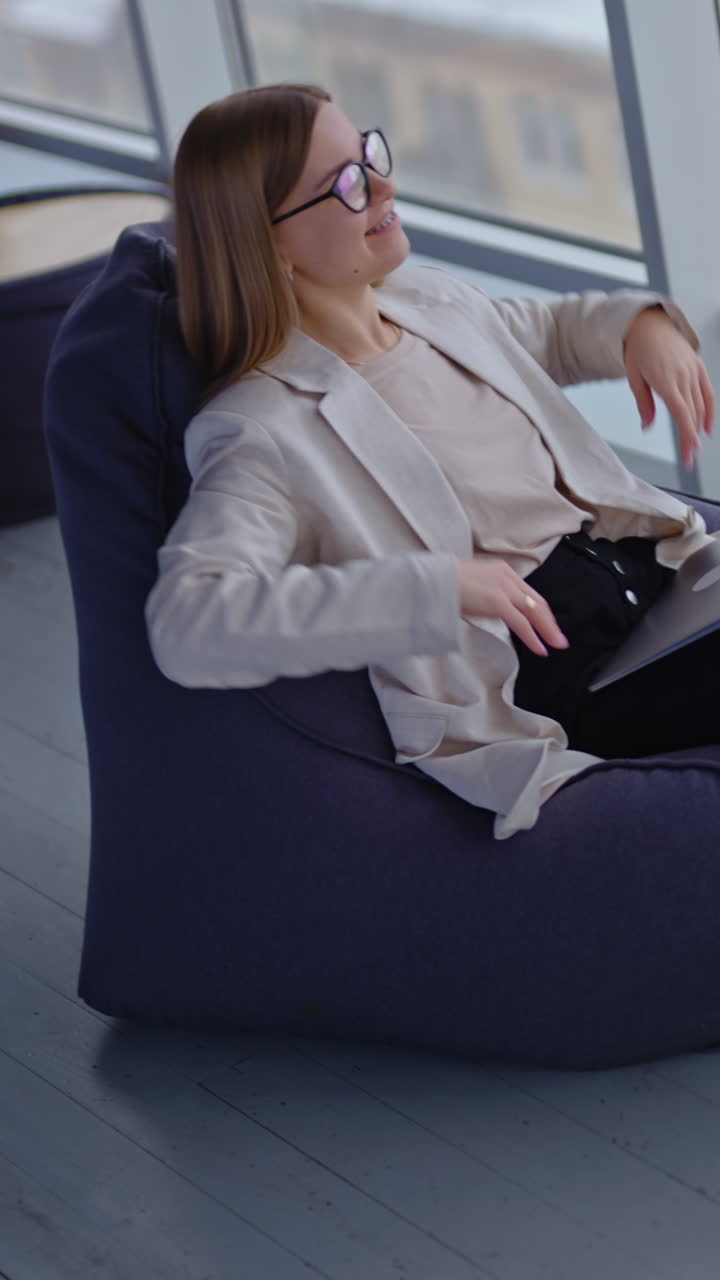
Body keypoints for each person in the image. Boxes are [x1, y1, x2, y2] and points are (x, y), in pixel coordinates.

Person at [145, 82, 717, 840]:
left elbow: (547, 329)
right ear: (271, 244)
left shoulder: (426, 301)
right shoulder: (260, 431)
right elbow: (190, 623)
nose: (384, 185)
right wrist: (431, 587)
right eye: (345, 185)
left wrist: (641, 326)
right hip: (559, 673)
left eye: (368, 154)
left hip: (654, 580)